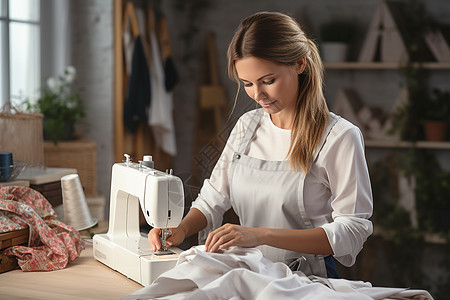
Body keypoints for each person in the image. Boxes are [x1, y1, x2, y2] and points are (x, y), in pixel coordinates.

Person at [148, 11, 373, 279]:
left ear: (300, 64)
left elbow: (352, 230)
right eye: (248, 84)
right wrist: (182, 229)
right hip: (251, 274)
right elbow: (213, 198)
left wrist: (260, 235)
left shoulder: (339, 137)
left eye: (268, 81)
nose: (258, 95)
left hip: (308, 281)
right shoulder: (248, 126)